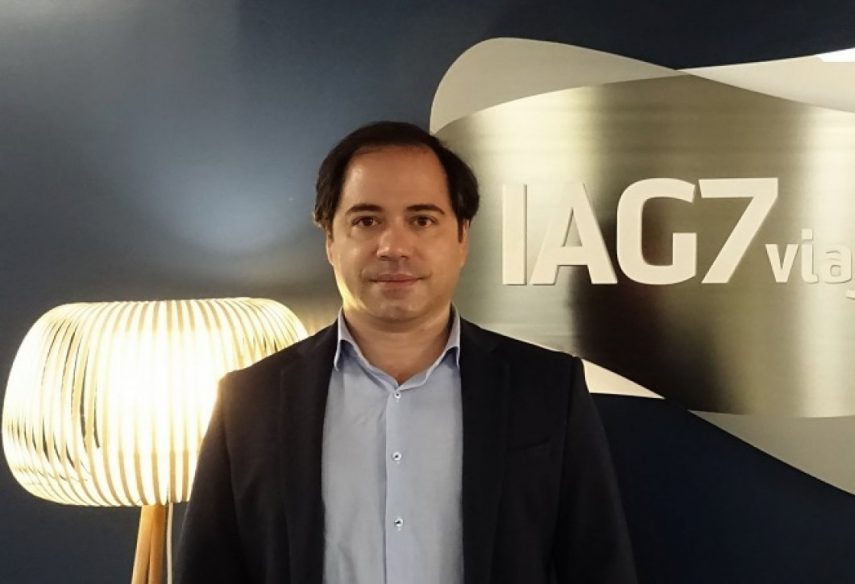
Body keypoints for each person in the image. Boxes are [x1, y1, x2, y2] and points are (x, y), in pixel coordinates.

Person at [175, 121, 637, 584]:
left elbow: (599, 568)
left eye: (422, 220)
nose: (394, 247)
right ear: (330, 240)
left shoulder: (548, 389)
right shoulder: (249, 401)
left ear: (462, 237)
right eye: (366, 221)